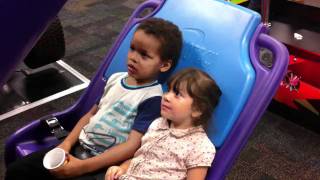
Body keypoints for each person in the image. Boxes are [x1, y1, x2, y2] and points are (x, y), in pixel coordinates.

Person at [5, 17, 182, 180]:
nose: (133, 58)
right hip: (77, 148)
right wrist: (66, 144)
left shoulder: (152, 98)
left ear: (164, 65)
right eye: (133, 49)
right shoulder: (115, 79)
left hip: (103, 165)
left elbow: (132, 145)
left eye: (144, 55)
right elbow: (90, 115)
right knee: (18, 170)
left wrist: (82, 167)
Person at [105, 68, 222, 180]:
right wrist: (121, 168)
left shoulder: (200, 147)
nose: (166, 96)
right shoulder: (158, 123)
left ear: (197, 109)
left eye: (177, 94)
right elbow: (140, 158)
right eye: (169, 90)